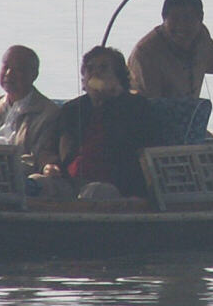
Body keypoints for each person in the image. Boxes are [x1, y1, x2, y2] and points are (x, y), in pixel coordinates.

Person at [43, 46, 158, 199]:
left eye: (103, 68)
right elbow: (49, 148)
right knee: (37, 184)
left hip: (114, 185)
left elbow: (139, 149)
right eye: (90, 68)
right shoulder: (71, 109)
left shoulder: (136, 107)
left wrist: (116, 100)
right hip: (69, 181)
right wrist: (49, 165)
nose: (95, 73)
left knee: (94, 192)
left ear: (118, 77)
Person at [0, 44, 61, 173]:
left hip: (19, 176)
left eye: (18, 69)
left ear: (33, 74)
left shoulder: (48, 113)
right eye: (5, 67)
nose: (8, 74)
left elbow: (39, 158)